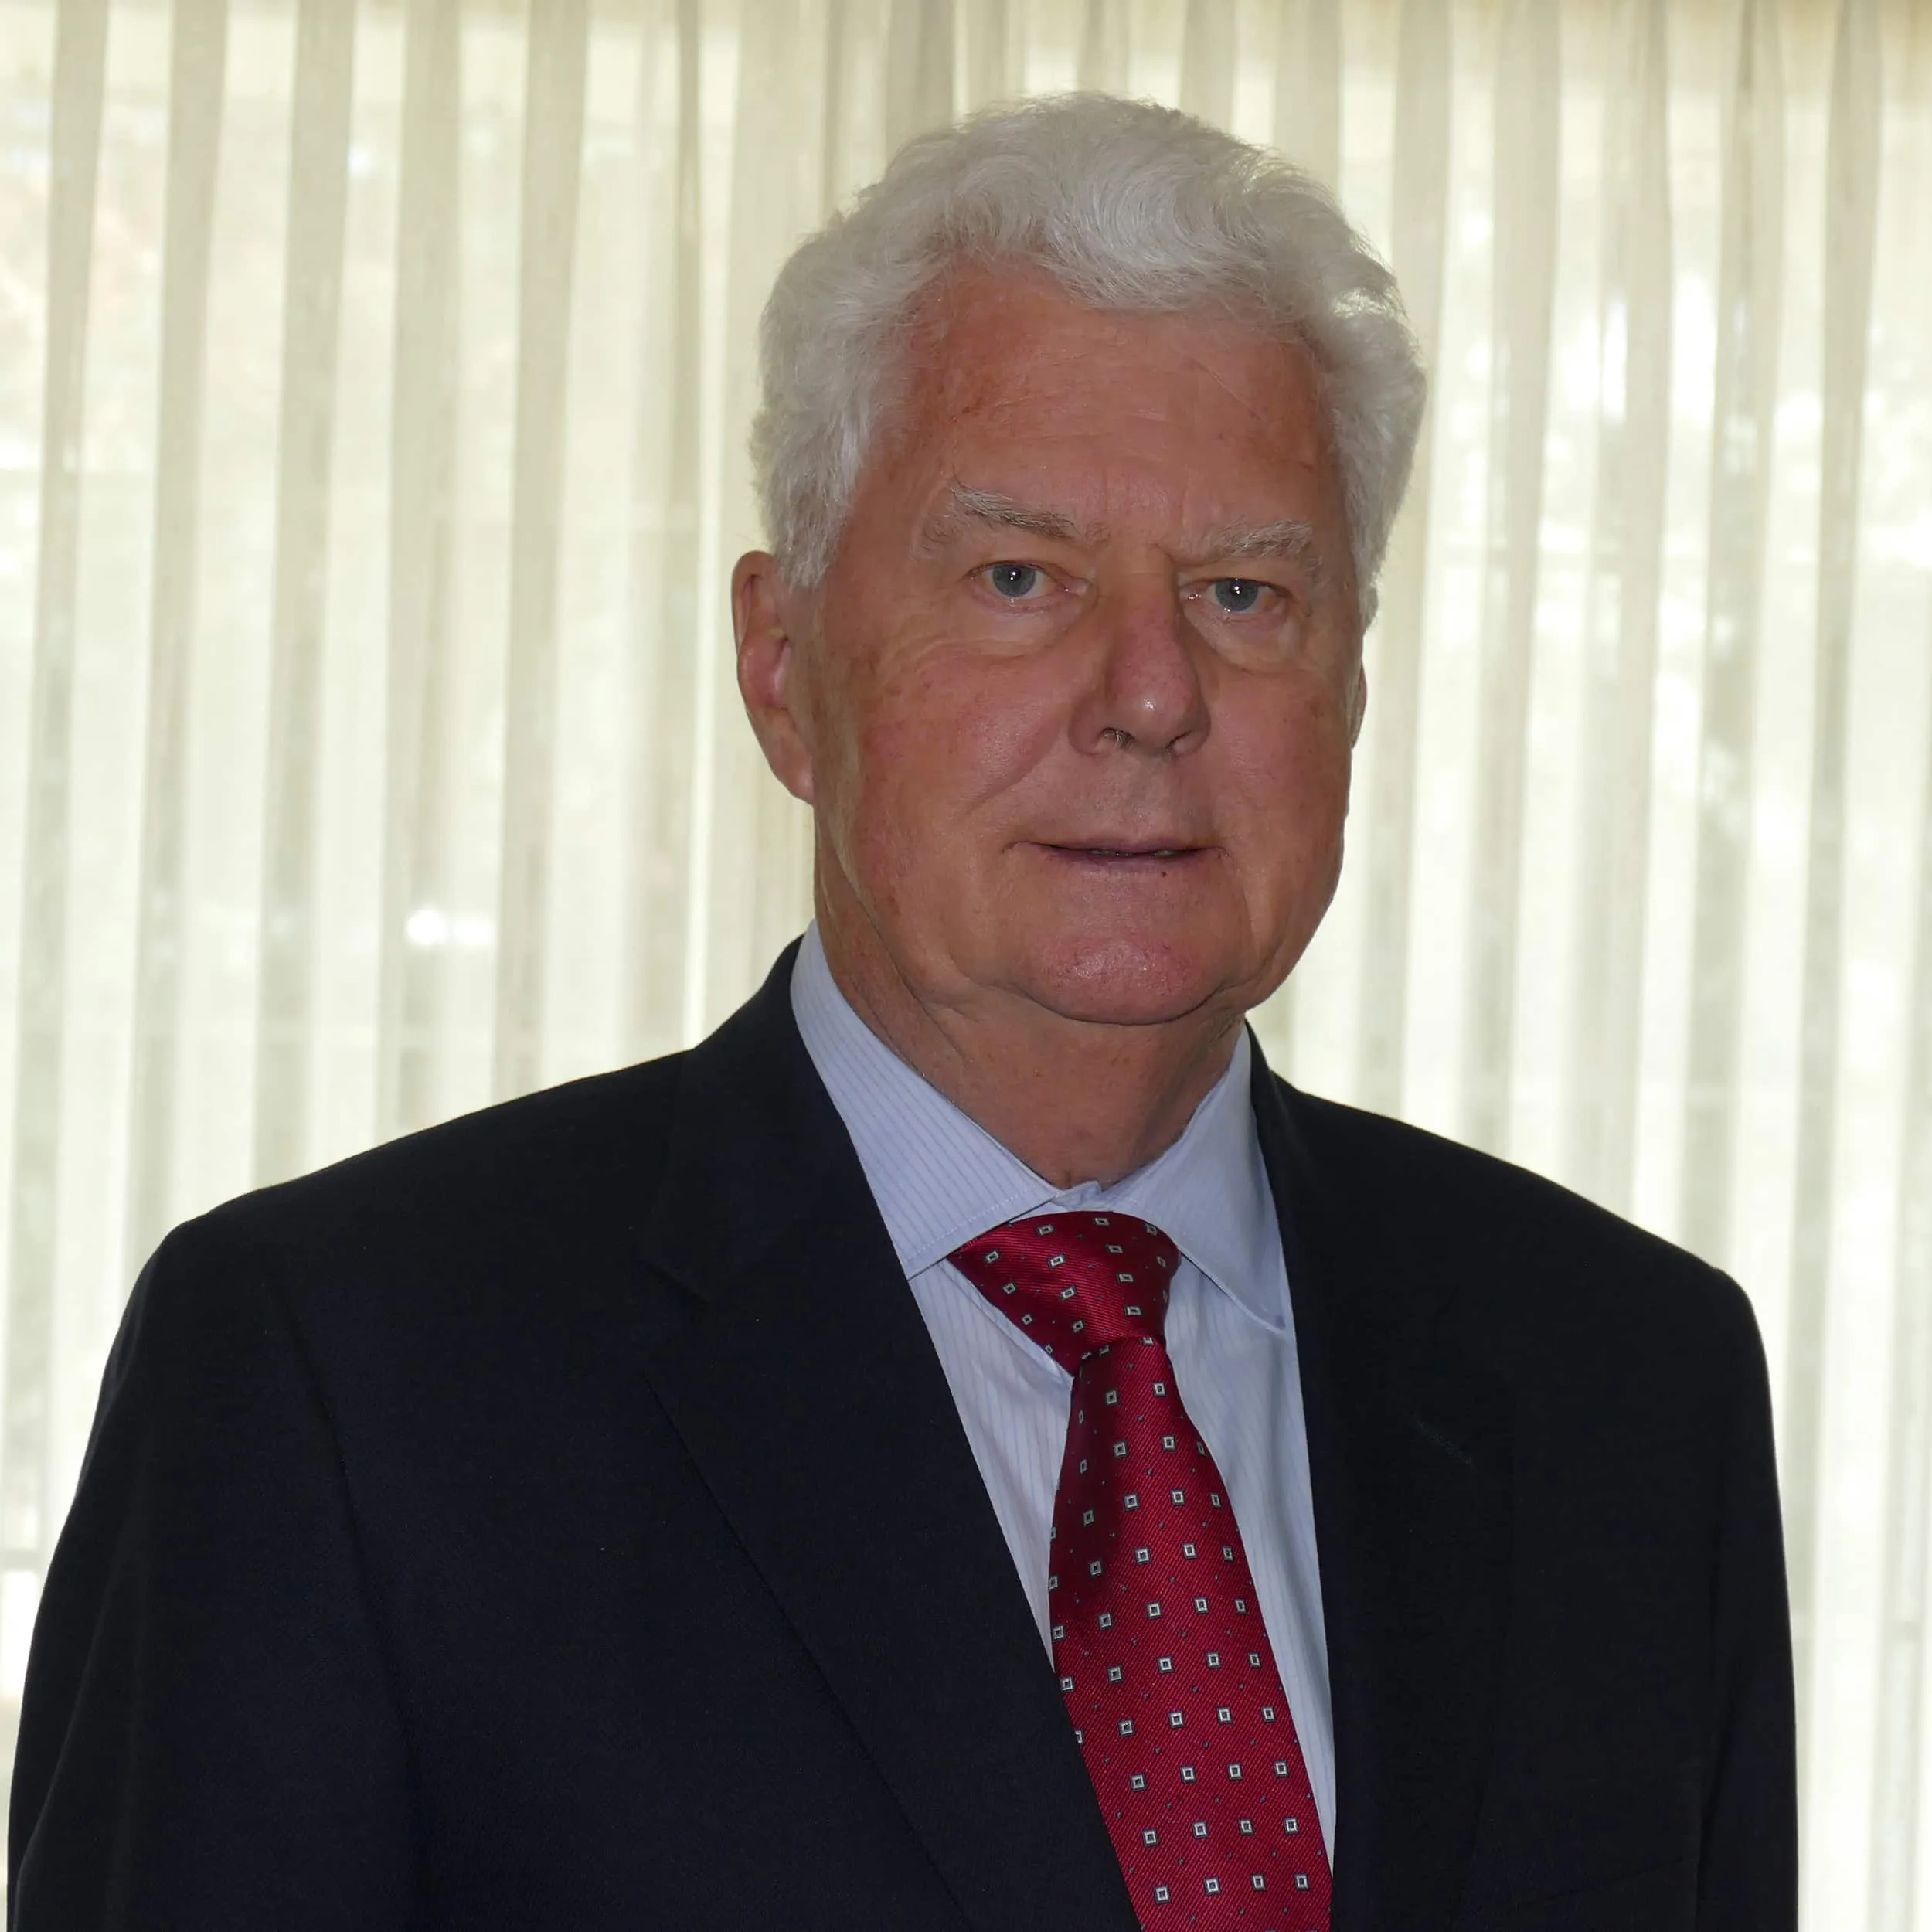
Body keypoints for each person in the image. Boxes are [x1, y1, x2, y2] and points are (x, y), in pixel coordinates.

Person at [9, 94, 1794, 1931]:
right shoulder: (339, 1381)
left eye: (1243, 591)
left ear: (1348, 685)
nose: (1150, 692)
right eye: (1019, 578)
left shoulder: (1629, 1391)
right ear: (782, 667)